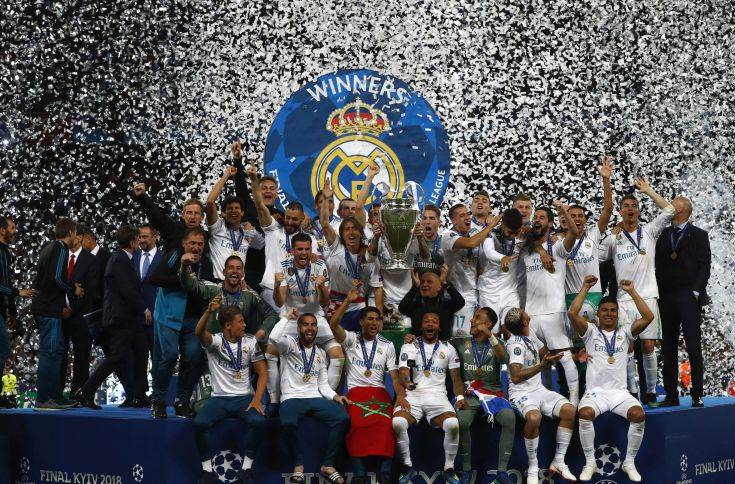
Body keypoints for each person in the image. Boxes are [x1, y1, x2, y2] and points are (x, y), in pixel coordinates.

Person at [569, 276, 653, 482]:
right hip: (595, 393)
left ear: (617, 314)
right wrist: (585, 287)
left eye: (613, 310)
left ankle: (629, 462)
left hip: (619, 394)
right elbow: (572, 313)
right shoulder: (590, 332)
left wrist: (632, 292)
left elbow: (648, 316)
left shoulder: (625, 333)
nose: (609, 313)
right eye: (605, 310)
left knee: (638, 414)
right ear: (597, 314)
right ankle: (590, 463)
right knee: (585, 413)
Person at [601, 177, 675, 407]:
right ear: (620, 212)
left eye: (634, 206)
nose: (630, 209)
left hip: (647, 297)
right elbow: (596, 253)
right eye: (626, 206)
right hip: (623, 300)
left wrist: (648, 190)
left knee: (648, 346)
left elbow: (671, 210)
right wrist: (608, 235)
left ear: (639, 210)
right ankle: (632, 391)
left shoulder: (650, 231)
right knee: (628, 347)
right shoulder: (615, 238)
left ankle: (650, 391)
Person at [73, 225, 148, 410]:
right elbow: (128, 290)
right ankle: (85, 391)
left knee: (141, 353)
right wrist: (144, 309)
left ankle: (138, 395)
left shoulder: (121, 258)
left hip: (129, 319)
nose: (139, 243)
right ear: (132, 242)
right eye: (137, 240)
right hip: (121, 320)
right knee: (116, 358)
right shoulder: (120, 260)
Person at [329, 287, 399, 484]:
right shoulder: (351, 340)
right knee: (358, 425)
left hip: (379, 392)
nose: (374, 323)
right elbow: (333, 325)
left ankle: (385, 472)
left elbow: (393, 376)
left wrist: (400, 396)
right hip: (356, 392)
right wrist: (347, 302)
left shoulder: (387, 345)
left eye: (377, 319)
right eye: (369, 319)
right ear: (361, 322)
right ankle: (359, 474)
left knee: (388, 424)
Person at [265, 233, 344, 405]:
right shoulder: (284, 266)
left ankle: (325, 398)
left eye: (307, 249)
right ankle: (274, 401)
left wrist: (322, 287)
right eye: (299, 249)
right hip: (293, 317)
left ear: (311, 250)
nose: (303, 253)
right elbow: (279, 302)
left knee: (338, 355)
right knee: (270, 352)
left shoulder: (319, 264)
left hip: (316, 317)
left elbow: (325, 302)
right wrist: (277, 285)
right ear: (292, 250)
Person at [194, 300, 267, 484]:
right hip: (219, 399)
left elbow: (263, 372)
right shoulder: (216, 342)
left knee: (258, 421)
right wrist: (208, 312)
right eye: (240, 322)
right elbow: (199, 333)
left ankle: (247, 468)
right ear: (228, 326)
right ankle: (207, 471)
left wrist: (257, 400)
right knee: (200, 423)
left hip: (244, 398)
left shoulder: (250, 342)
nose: (245, 325)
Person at [276, 313, 351, 484]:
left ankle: (328, 465)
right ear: (299, 328)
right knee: (288, 423)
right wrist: (286, 319)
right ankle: (298, 464)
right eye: (305, 324)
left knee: (342, 418)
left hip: (314, 397)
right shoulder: (289, 346)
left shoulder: (320, 353)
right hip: (292, 397)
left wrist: (336, 396)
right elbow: (274, 338)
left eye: (313, 324)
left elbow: (323, 384)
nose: (310, 328)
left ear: (317, 329)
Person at [505, 308, 577, 483]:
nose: (524, 310)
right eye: (522, 312)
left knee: (569, 410)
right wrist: (540, 366)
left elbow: (548, 355)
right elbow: (515, 376)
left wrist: (574, 356)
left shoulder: (531, 336)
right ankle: (533, 466)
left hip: (539, 390)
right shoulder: (515, 344)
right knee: (534, 418)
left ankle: (559, 461)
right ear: (524, 321)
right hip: (520, 393)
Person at [148, 226, 213, 419]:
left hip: (192, 319)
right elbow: (155, 278)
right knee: (168, 356)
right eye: (192, 243)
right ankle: (158, 400)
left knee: (193, 357)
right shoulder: (175, 255)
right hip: (169, 316)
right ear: (184, 244)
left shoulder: (206, 264)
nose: (196, 247)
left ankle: (182, 401)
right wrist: (183, 277)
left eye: (200, 244)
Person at [393, 312, 464, 484]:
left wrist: (460, 396)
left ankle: (449, 468)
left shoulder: (448, 349)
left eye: (434, 321)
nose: (430, 324)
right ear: (421, 326)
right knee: (398, 423)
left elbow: (456, 378)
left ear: (439, 327)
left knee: (453, 424)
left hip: (438, 397)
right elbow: (403, 373)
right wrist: (407, 382)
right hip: (413, 395)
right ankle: (407, 465)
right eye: (426, 321)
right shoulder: (410, 346)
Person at [522, 201, 580, 405]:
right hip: (531, 314)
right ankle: (546, 398)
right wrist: (539, 250)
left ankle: (574, 400)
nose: (537, 220)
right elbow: (525, 236)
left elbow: (574, 233)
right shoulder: (527, 249)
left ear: (550, 223)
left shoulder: (558, 248)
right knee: (541, 360)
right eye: (535, 217)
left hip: (553, 312)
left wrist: (563, 210)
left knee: (564, 357)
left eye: (542, 218)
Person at [656, 196, 711, 408]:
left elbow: (704, 266)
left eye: (672, 207)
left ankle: (697, 392)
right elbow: (659, 264)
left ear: (681, 211)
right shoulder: (664, 234)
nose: (668, 210)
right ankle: (671, 394)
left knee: (693, 345)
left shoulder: (699, 235)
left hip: (689, 296)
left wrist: (696, 292)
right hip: (666, 297)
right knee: (668, 346)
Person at [451, 308, 515, 484]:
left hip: (493, 394)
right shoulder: (460, 342)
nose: (472, 320)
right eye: (473, 317)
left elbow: (505, 359)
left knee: (509, 418)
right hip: (469, 395)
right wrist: (413, 339)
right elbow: (435, 344)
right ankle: (465, 470)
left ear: (488, 324)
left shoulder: (497, 343)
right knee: (462, 422)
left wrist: (491, 336)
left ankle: (502, 471)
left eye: (478, 318)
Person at [247, 165, 318, 311]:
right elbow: (260, 206)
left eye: (294, 219)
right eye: (288, 217)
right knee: (279, 327)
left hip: (298, 292)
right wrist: (254, 180)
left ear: (301, 219)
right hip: (272, 288)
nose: (290, 222)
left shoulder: (309, 240)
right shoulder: (272, 230)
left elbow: (316, 260)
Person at [31, 218, 84, 410]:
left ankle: (54, 395)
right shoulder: (61, 248)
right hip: (48, 310)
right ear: (70, 232)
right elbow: (57, 277)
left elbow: (41, 280)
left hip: (46, 307)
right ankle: (45, 398)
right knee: (51, 352)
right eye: (75, 232)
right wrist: (73, 289)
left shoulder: (48, 248)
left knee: (55, 351)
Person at [318, 183, 384, 332]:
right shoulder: (337, 247)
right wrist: (326, 198)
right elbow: (324, 223)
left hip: (358, 306)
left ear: (361, 234)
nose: (351, 232)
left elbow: (378, 288)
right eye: (347, 229)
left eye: (355, 229)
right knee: (336, 344)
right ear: (342, 235)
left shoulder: (368, 254)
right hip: (335, 304)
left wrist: (379, 317)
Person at [438, 204, 500, 336]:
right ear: (453, 221)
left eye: (467, 214)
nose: (467, 217)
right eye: (462, 215)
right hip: (455, 296)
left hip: (472, 296)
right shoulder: (448, 235)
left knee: (475, 335)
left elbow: (479, 266)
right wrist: (490, 226)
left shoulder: (474, 236)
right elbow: (470, 243)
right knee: (459, 335)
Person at [0, 215, 36, 407]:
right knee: (4, 347)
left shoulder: (6, 252)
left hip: (1, 308)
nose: (15, 231)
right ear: (2, 230)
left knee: (3, 348)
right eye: (12, 228)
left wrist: (11, 310)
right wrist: (17, 293)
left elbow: (6, 282)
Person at [205, 166, 265, 282]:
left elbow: (264, 245)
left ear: (242, 213)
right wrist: (226, 175)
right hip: (218, 283)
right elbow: (210, 202)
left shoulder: (248, 232)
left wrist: (252, 232)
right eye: (229, 208)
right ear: (223, 213)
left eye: (237, 208)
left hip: (240, 287)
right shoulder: (218, 228)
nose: (233, 211)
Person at [59, 226, 99, 397]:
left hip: (80, 316)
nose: (71, 238)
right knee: (59, 356)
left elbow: (90, 291)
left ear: (80, 237)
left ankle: (79, 394)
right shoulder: (59, 257)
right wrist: (61, 307)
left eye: (74, 235)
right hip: (59, 314)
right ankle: (56, 394)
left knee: (82, 356)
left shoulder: (90, 260)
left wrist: (71, 308)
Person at [477, 208, 524, 333]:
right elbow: (489, 252)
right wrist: (503, 257)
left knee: (512, 328)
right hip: (488, 293)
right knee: (491, 332)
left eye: (516, 232)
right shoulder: (490, 233)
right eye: (510, 232)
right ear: (502, 224)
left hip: (510, 293)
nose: (513, 236)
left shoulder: (521, 237)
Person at [131, 182, 207, 253]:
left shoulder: (208, 237)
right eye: (189, 213)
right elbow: (157, 216)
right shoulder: (172, 229)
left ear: (202, 217)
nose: (192, 216)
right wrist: (142, 197)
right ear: (183, 215)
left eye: (196, 213)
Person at [399, 266, 465, 341]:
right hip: (419, 349)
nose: (424, 284)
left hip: (443, 350)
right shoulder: (416, 306)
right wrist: (416, 286)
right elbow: (402, 308)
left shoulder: (446, 306)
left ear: (439, 287)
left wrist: (445, 283)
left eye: (429, 282)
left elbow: (460, 302)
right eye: (422, 282)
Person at [132, 224, 163, 367]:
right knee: (138, 362)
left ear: (155, 237)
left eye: (144, 237)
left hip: (157, 320)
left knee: (159, 360)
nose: (141, 240)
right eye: (139, 237)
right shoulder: (132, 256)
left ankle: (159, 389)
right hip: (136, 319)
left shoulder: (164, 258)